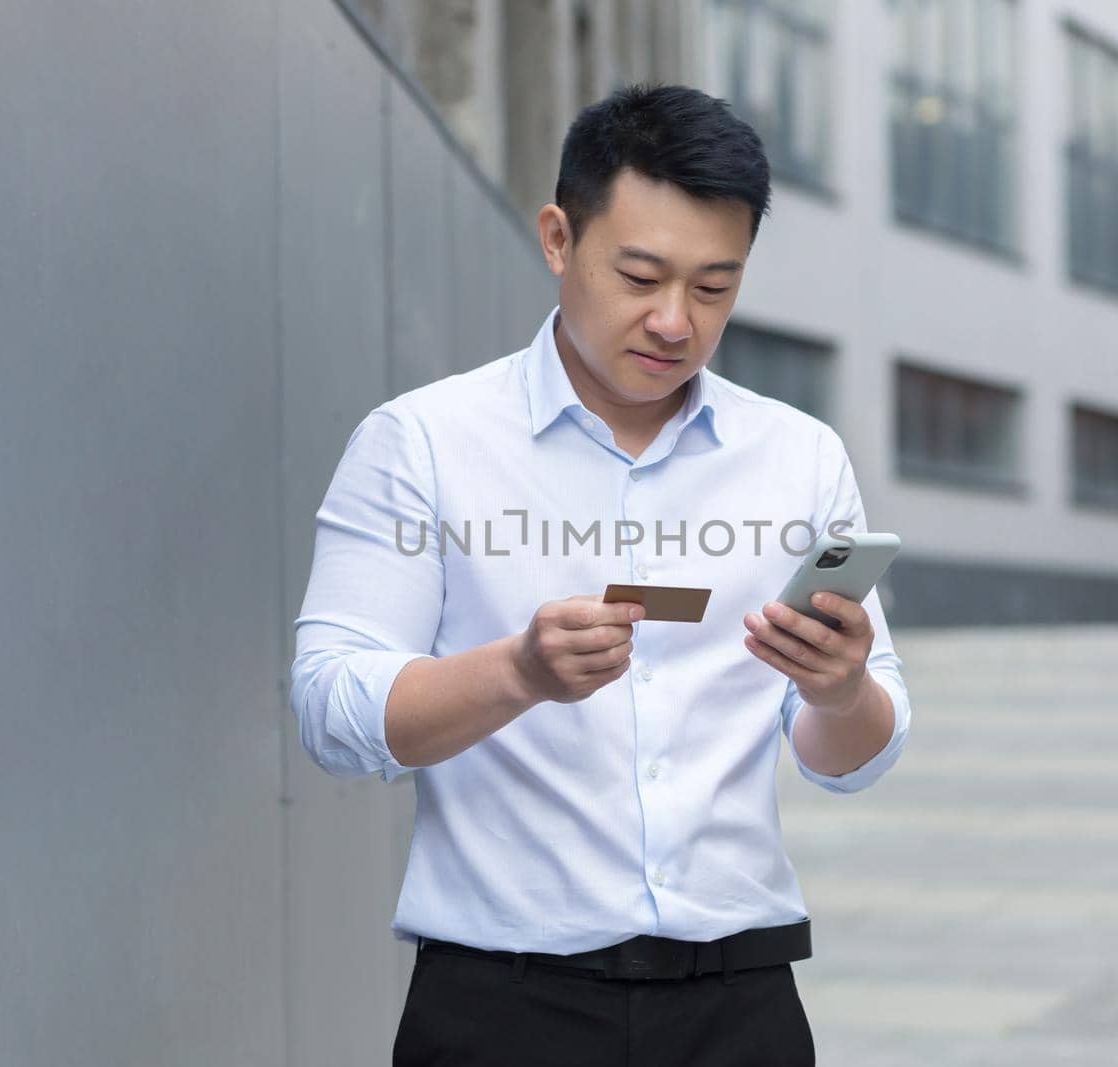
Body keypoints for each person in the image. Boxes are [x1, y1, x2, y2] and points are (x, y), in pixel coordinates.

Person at [290, 83, 912, 1067]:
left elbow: (855, 755)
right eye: (639, 275)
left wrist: (838, 689)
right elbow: (329, 707)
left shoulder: (798, 455)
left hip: (740, 1000)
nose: (674, 320)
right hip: (501, 1005)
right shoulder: (423, 444)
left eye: (714, 287)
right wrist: (515, 672)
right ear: (555, 237)